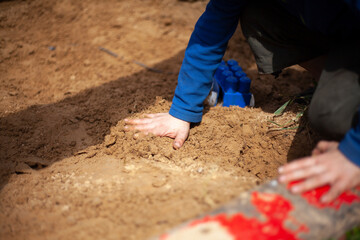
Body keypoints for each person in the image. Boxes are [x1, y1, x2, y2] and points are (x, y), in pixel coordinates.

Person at [124, 0, 360, 202]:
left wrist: (353, 153)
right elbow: (212, 29)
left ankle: (341, 94)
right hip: (336, 26)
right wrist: (182, 111)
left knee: (330, 115)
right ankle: (329, 79)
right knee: (257, 10)